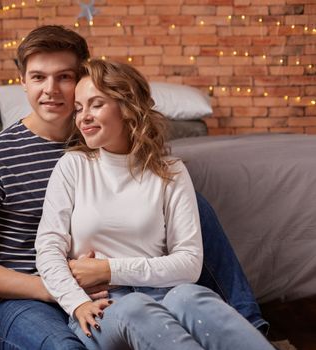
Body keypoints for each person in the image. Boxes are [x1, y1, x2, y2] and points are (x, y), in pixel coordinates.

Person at [0, 25, 266, 350]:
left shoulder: (99, 136)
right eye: (38, 77)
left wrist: (107, 271)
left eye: (64, 77)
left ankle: (246, 326)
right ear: (22, 81)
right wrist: (54, 288)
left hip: (104, 282)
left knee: (190, 204)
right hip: (25, 296)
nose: (51, 90)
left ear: (84, 79)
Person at [35, 59, 273, 350]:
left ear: (126, 107)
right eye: (79, 108)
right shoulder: (73, 166)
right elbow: (48, 249)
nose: (83, 117)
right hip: (102, 309)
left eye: (96, 104)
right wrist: (77, 303)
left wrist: (108, 269)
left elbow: (188, 264)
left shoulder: (170, 171)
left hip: (165, 293)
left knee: (189, 296)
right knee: (135, 305)